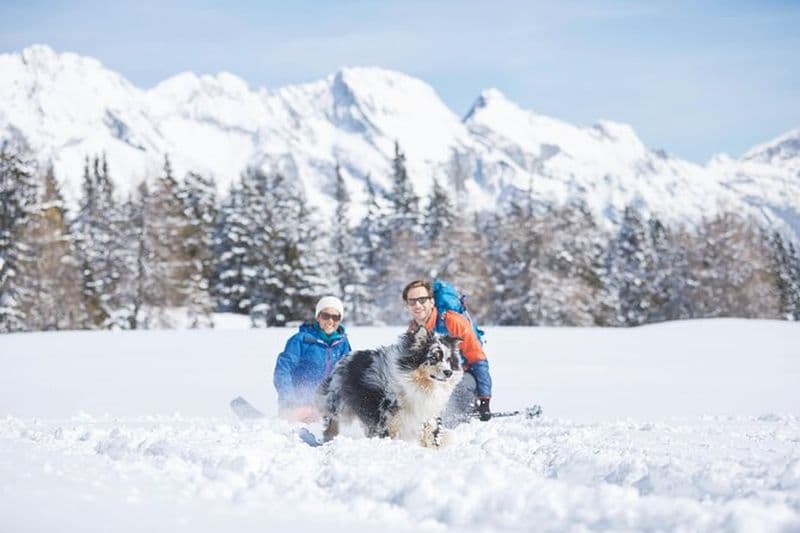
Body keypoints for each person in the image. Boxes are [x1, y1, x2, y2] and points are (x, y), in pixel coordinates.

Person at [402, 279, 493, 424]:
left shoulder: (452, 321)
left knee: (453, 401)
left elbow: (477, 358)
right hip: (434, 377)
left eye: (422, 300)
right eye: (412, 301)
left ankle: (449, 422)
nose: (417, 305)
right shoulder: (414, 330)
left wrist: (484, 399)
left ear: (432, 302)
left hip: (462, 375)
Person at [273, 296, 352, 422]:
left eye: (336, 317)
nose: (330, 321)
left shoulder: (342, 344)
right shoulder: (301, 340)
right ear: (318, 317)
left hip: (324, 409)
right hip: (297, 406)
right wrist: (290, 402)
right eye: (326, 316)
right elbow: (282, 371)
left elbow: (346, 376)